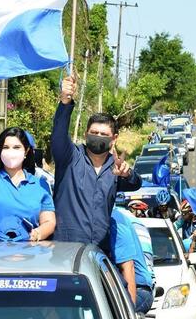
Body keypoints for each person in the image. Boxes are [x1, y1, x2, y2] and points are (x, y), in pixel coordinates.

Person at [51, 75, 142, 248]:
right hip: (65, 252)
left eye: (104, 135)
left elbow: (136, 183)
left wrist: (127, 173)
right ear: (86, 134)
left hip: (100, 254)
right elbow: (58, 134)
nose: (98, 137)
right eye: (94, 132)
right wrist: (65, 102)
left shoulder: (114, 168)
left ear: (114, 139)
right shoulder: (70, 157)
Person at [0, 98, 56, 243]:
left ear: (26, 151)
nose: (11, 152)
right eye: (6, 147)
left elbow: (49, 222)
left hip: (22, 259)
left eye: (16, 147)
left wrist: (37, 233)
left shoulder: (40, 185)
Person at [110, 208, 154, 314]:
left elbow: (128, 267)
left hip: (138, 289)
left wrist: (130, 316)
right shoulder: (119, 216)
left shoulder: (115, 220)